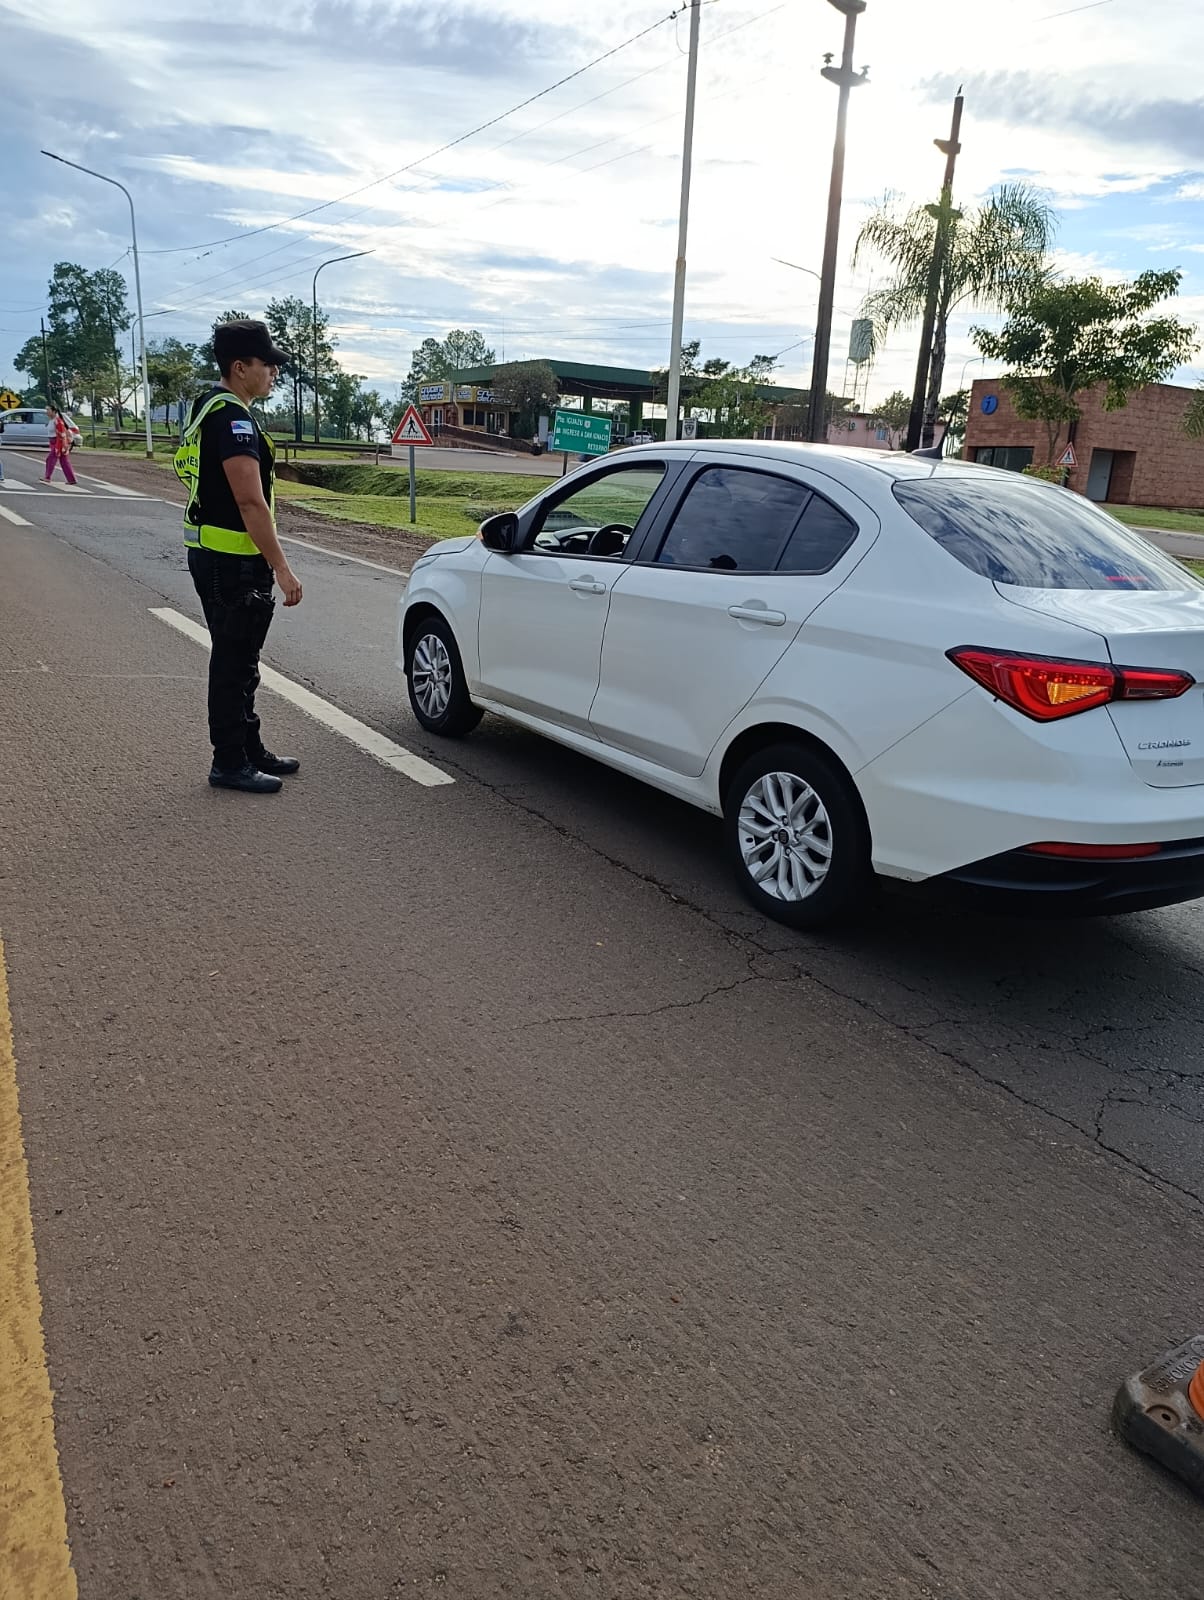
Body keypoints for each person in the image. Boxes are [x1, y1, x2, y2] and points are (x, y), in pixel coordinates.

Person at [178, 319, 304, 794]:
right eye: (266, 363)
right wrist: (282, 567)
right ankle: (229, 762)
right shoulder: (231, 420)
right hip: (232, 562)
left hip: (216, 554)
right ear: (239, 367)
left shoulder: (208, 407)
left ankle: (249, 748)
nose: (274, 371)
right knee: (233, 661)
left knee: (243, 658)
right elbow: (250, 502)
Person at [44, 405, 77, 486]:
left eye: (48, 410)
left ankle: (47, 477)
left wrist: (60, 446)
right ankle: (71, 479)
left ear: (54, 411)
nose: (47, 412)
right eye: (46, 410)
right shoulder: (51, 420)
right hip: (53, 442)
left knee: (50, 459)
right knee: (64, 461)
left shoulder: (58, 421)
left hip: (58, 443)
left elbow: (62, 434)